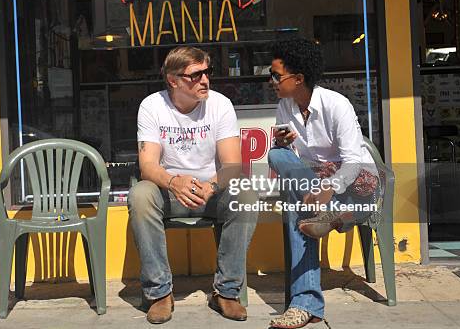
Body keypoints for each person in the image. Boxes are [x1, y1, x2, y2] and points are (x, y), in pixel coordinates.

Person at [128, 46, 257, 324]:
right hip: (168, 192)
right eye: (195, 75)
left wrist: (211, 186)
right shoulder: (152, 106)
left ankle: (227, 292)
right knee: (140, 195)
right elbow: (148, 165)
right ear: (173, 80)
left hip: (211, 193)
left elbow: (232, 165)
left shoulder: (220, 104)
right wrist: (174, 182)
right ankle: (160, 293)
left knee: (245, 193)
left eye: (207, 72)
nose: (205, 80)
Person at [267, 39, 381, 328]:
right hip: (314, 187)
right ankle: (323, 214)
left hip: (357, 188)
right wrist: (284, 143)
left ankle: (305, 303)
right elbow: (293, 164)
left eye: (276, 75)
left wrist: (328, 188)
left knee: (298, 205)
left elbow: (354, 161)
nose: (272, 81)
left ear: (299, 78)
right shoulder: (285, 107)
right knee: (277, 155)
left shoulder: (335, 104)